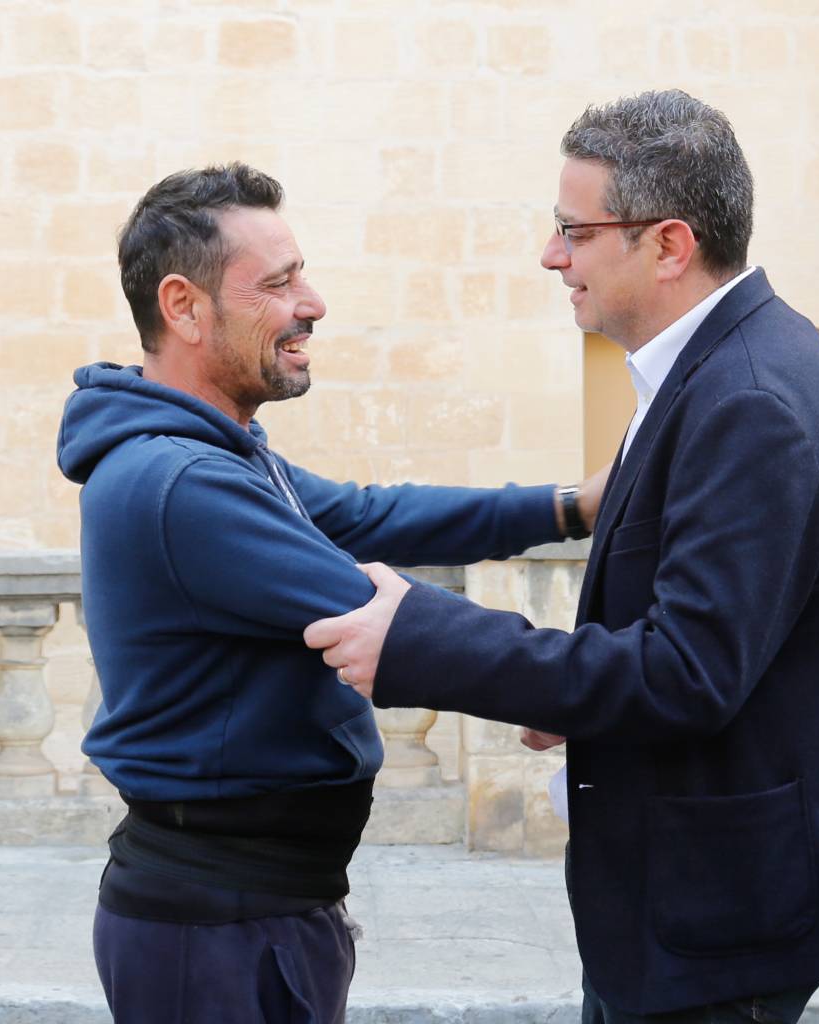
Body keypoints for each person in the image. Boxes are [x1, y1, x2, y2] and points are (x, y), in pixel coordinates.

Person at [304, 90, 819, 1023]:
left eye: (575, 231)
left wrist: (426, 639)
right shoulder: (719, 364)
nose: (551, 255)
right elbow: (712, 631)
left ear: (668, 245)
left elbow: (688, 672)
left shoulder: (750, 399)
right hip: (704, 894)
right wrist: (570, 695)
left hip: (727, 916)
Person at [56, 163, 608, 1024]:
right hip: (217, 931)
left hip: (259, 911)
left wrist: (572, 506)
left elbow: (370, 515)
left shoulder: (224, 455)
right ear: (184, 307)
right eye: (278, 284)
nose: (311, 303)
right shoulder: (181, 481)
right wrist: (561, 682)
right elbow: (372, 608)